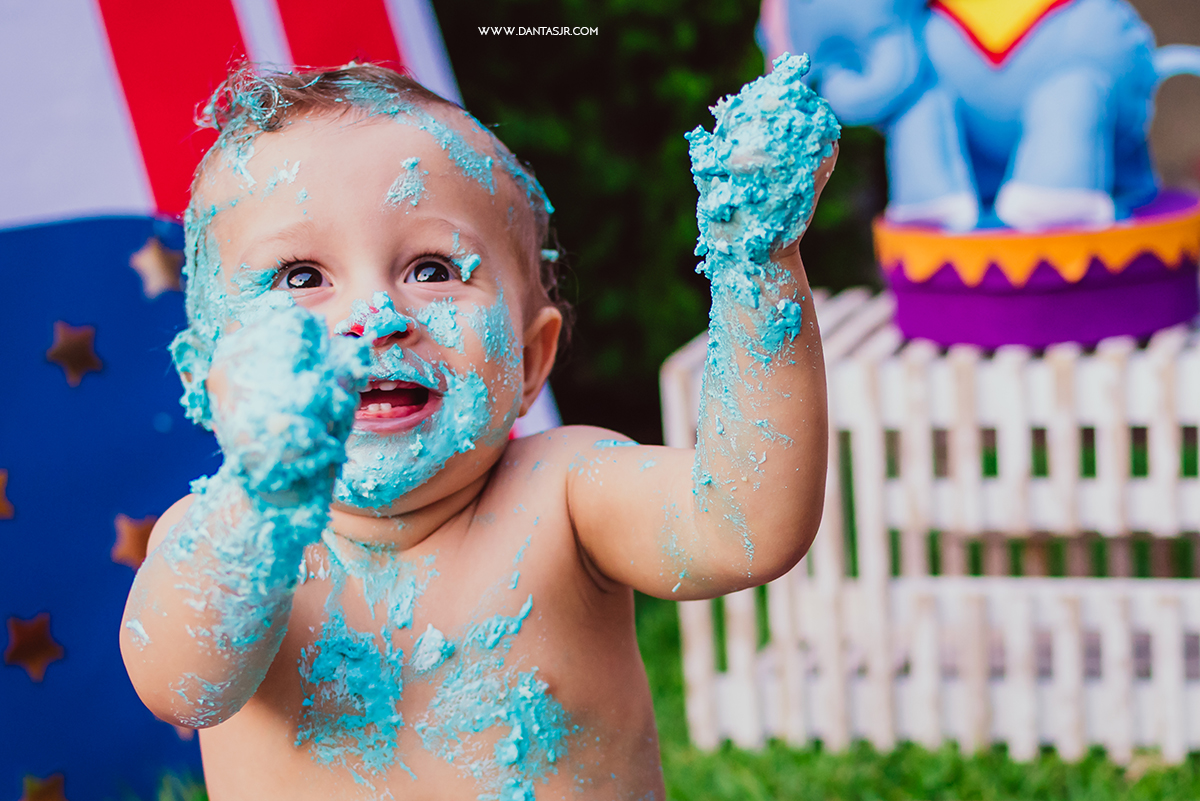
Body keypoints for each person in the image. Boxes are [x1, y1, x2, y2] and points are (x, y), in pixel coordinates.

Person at [120, 55, 838, 800]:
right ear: (207, 379)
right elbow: (187, 686)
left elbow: (743, 527)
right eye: (302, 277)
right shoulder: (217, 545)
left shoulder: (566, 494)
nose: (377, 316)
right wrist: (255, 505)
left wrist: (757, 266)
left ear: (530, 361)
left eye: (432, 268)